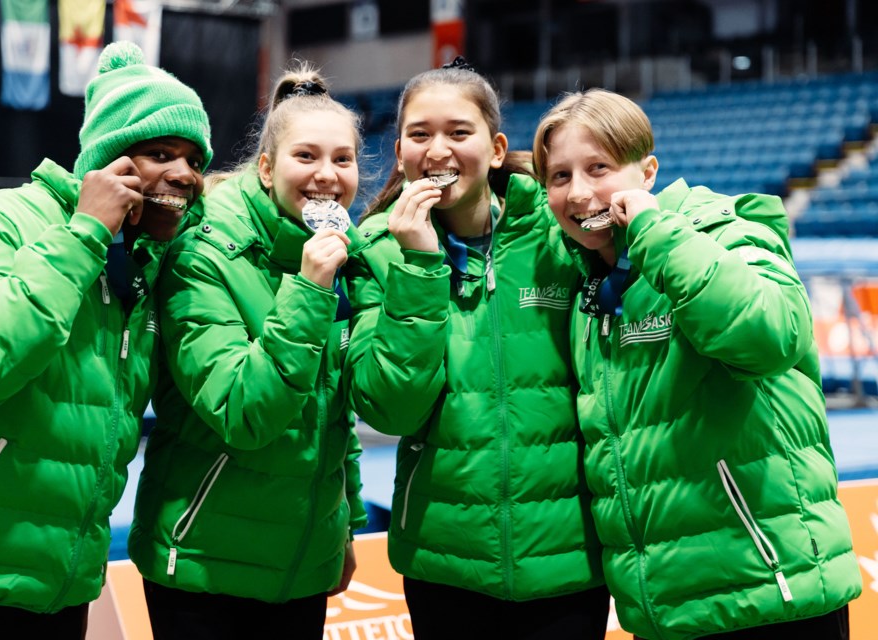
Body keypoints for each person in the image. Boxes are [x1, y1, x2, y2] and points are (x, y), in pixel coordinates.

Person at [531, 87, 862, 640]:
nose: (581, 192)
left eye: (599, 167)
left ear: (648, 171)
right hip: (670, 612)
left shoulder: (724, 230)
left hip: (771, 593)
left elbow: (771, 334)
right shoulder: (591, 291)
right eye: (560, 177)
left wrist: (655, 231)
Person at [0, 41, 212, 638]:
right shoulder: (3, 219)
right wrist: (84, 232)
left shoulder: (148, 265)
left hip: (63, 587)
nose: (183, 174)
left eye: (193, 159)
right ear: (109, 161)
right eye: (161, 153)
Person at [345, 57, 608, 640]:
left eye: (458, 132)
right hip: (446, 563)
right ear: (400, 154)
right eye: (420, 134)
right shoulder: (376, 252)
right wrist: (417, 265)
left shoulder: (559, 228)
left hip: (569, 558)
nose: (438, 149)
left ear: (494, 149)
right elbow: (392, 410)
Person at [127, 63, 368, 639]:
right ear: (265, 168)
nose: (327, 176)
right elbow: (244, 411)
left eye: (343, 159)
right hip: (205, 563)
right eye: (305, 156)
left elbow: (337, 411)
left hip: (302, 564)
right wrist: (310, 290)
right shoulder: (201, 254)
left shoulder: (339, 254)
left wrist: (345, 526)